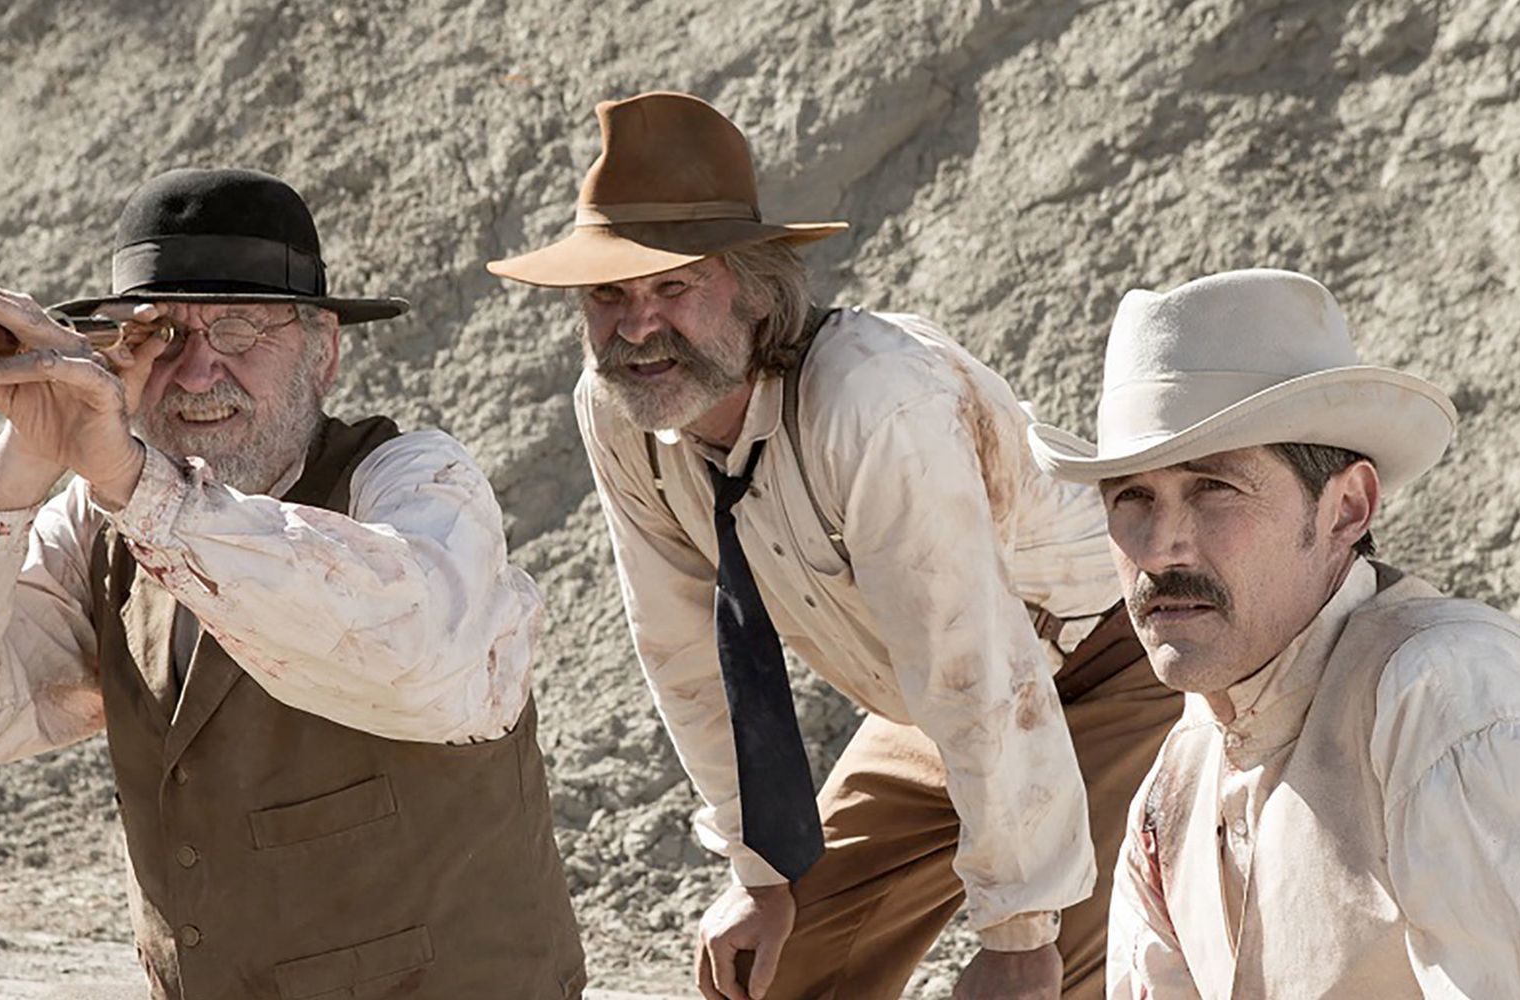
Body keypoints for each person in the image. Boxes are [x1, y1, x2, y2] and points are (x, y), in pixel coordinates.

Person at [487, 92, 1184, 1000]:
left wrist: (1019, 932)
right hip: (934, 700)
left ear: (749, 282)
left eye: (673, 286)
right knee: (775, 970)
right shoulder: (618, 404)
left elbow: (977, 659)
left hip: (1105, 663)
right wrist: (761, 873)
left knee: (1062, 978)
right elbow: (683, 643)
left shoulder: (873, 404)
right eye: (609, 295)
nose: (638, 326)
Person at [0, 168, 586, 1000]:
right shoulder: (100, 521)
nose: (194, 375)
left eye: (237, 331)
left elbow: (419, 657)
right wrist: (26, 459)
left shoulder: (413, 480)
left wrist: (138, 487)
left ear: (323, 350)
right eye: (160, 338)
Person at [1024, 267, 1520, 998]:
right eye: (1132, 498)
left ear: (1346, 509)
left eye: (1214, 488)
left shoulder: (1456, 708)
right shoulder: (1176, 786)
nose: (1159, 545)